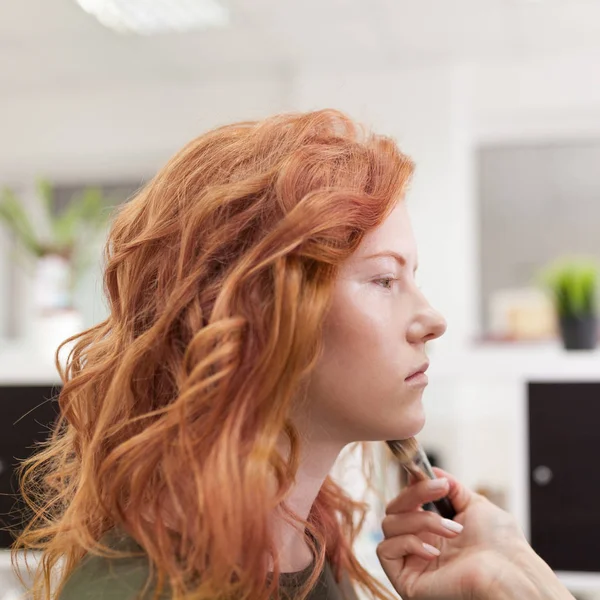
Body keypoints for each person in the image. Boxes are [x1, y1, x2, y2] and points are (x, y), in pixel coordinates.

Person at [13, 109, 574, 600]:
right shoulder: (139, 591)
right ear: (255, 311)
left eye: (413, 279)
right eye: (383, 280)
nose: (432, 320)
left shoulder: (306, 544)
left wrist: (516, 578)